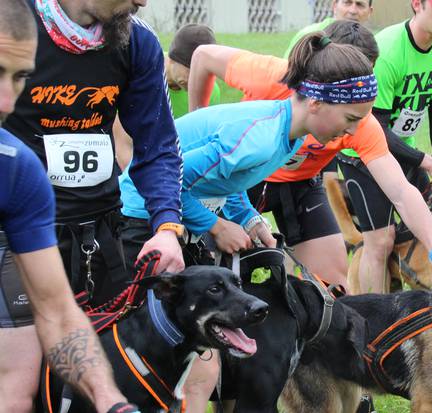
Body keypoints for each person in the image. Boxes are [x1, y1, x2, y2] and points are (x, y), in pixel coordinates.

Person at [120, 30, 387, 407]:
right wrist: (214, 225)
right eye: (350, 118)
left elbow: (226, 179)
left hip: (175, 219)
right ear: (316, 102)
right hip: (140, 217)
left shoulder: (288, 133)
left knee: (203, 366)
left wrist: (248, 219)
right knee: (160, 355)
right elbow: (166, 176)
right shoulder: (261, 138)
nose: (355, 129)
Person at [0, 0, 185, 410]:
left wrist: (167, 227)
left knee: (108, 366)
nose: (144, 2)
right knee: (24, 383)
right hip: (16, 232)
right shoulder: (13, 26)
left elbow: (157, 147)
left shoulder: (137, 42)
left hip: (99, 233)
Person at [187, 20, 432, 290]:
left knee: (328, 289)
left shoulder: (358, 119)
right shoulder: (272, 89)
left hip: (299, 182)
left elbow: (400, 191)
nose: (360, 90)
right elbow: (203, 56)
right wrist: (198, 122)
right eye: (351, 78)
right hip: (242, 172)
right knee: (220, 281)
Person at [337, 0, 432, 293]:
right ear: (417, 5)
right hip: (361, 155)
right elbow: (376, 128)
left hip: (404, 150)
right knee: (381, 241)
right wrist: (429, 162)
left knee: (429, 233)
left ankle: (425, 321)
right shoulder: (389, 50)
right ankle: (376, 323)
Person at [114, 22, 220, 170]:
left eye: (203, 73)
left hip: (176, 169)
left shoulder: (210, 90)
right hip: (133, 167)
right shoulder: (143, 75)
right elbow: (123, 145)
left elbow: (201, 143)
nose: (195, 79)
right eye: (191, 69)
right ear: (173, 58)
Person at [283, 0, 372, 58]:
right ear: (334, 6)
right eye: (347, 3)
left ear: (369, 12)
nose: (353, 11)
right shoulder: (309, 35)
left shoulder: (370, 43)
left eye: (360, 5)